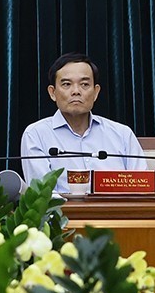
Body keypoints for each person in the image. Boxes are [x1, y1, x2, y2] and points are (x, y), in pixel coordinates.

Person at [19, 53, 147, 193]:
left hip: (118, 207)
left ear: (96, 92)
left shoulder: (122, 134)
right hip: (62, 208)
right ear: (52, 93)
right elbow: (43, 195)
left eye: (84, 84)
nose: (76, 91)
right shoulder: (36, 134)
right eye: (66, 84)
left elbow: (143, 187)